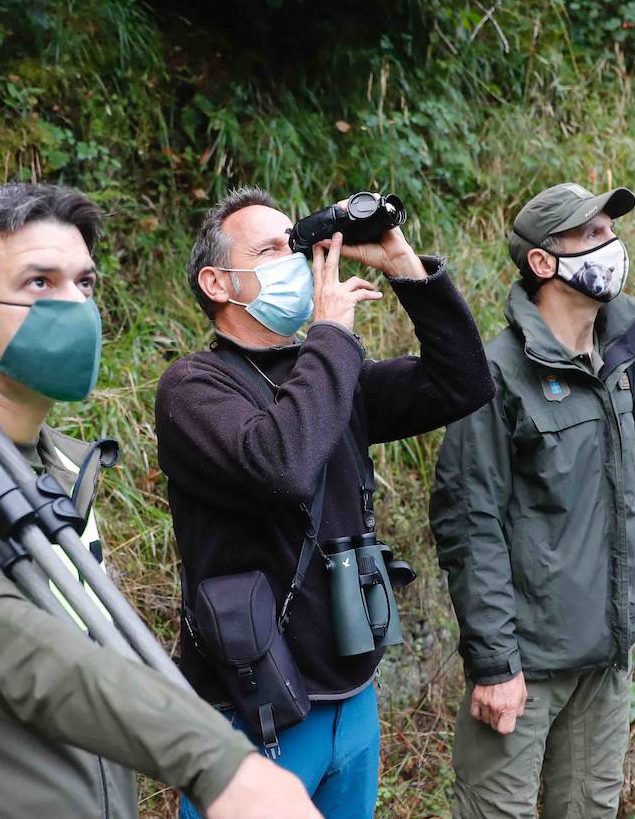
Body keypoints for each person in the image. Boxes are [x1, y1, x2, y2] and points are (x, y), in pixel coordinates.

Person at [0, 182, 320, 818]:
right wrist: (217, 761)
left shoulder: (58, 468)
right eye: (39, 283)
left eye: (84, 282)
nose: (76, 306)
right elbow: (1, 642)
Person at [156, 187, 492, 819]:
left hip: (352, 694)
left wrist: (403, 266)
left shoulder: (331, 379)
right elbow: (281, 464)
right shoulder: (193, 388)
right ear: (219, 282)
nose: (297, 258)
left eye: (296, 241)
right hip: (253, 708)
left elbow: (463, 381)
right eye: (271, 249)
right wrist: (331, 334)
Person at [428, 183, 635, 819]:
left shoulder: (622, 358)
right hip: (524, 668)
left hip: (605, 658)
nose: (609, 246)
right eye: (589, 235)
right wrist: (496, 662)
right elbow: (469, 524)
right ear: (541, 262)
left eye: (609, 231)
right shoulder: (497, 374)